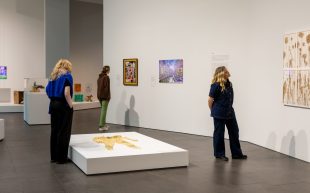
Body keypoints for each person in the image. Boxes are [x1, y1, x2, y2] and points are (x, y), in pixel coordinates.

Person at [208, 66, 247, 161]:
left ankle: (236, 153)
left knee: (234, 131)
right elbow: (210, 100)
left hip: (230, 112)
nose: (228, 71)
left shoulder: (229, 84)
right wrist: (213, 110)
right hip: (219, 113)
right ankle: (219, 154)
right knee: (219, 134)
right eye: (226, 71)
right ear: (221, 73)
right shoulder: (215, 85)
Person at [46, 59, 74, 164]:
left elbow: (47, 90)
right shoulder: (67, 76)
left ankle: (54, 157)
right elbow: (67, 93)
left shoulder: (52, 77)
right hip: (63, 105)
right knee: (63, 131)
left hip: (53, 104)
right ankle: (61, 158)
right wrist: (71, 105)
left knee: (54, 130)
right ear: (68, 66)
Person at [97, 66, 111, 131]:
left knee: (103, 110)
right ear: (107, 70)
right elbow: (107, 88)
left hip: (99, 96)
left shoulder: (99, 77)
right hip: (105, 96)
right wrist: (108, 96)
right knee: (104, 111)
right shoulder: (106, 78)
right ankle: (101, 126)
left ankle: (103, 125)